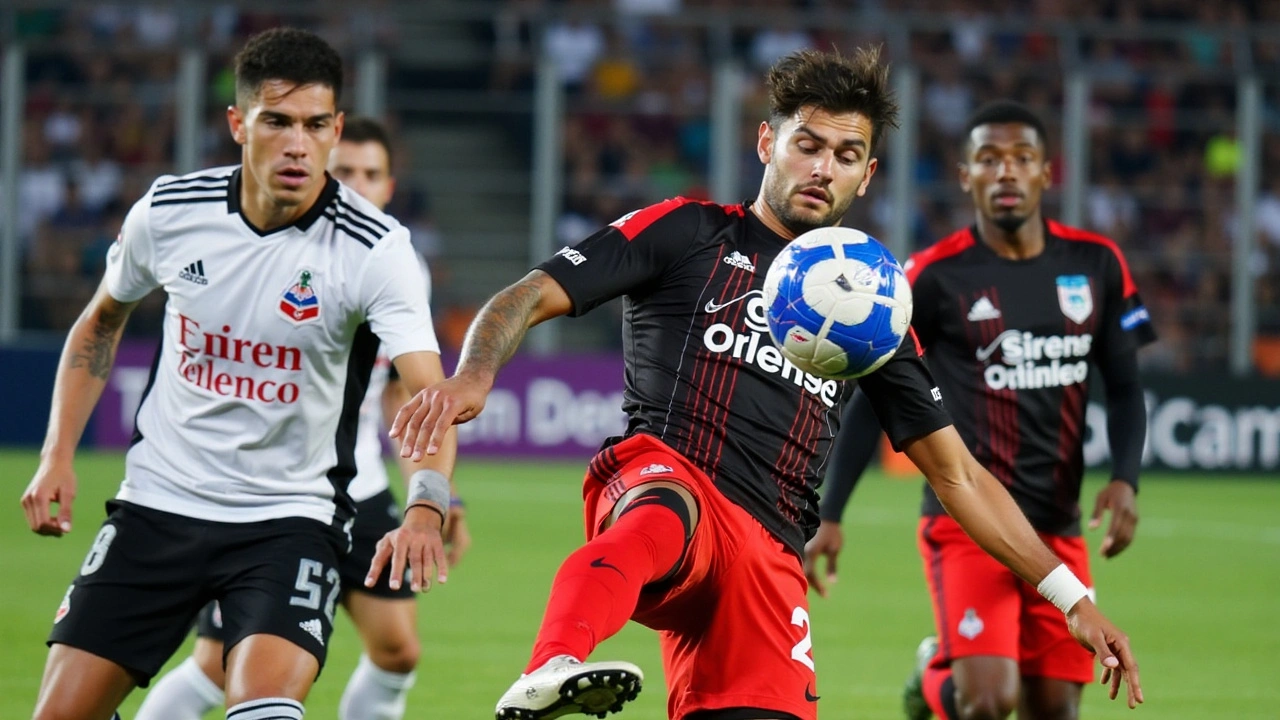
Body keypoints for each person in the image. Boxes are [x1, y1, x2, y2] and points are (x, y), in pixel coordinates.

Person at [383, 50, 1142, 720]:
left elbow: (959, 474)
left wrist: (1071, 599)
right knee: (656, 514)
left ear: (868, 173)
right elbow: (527, 294)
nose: (823, 167)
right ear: (766, 142)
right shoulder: (687, 232)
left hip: (772, 554)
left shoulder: (875, 309)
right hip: (668, 478)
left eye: (847, 154)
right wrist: (472, 375)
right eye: (807, 145)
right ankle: (550, 667)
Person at [20, 29, 456, 720]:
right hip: (157, 506)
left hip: (289, 521)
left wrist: (429, 506)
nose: (297, 144)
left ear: (336, 129)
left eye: (316, 126)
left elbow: (427, 394)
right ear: (237, 124)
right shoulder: (169, 212)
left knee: (265, 708)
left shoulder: (377, 251)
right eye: (276, 122)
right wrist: (57, 456)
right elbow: (100, 323)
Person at [806, 100, 1156, 720]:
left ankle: (940, 670)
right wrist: (831, 513)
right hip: (965, 523)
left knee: (1055, 711)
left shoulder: (1096, 263)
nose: (1006, 173)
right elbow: (872, 396)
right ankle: (933, 679)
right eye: (988, 160)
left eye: (1022, 159)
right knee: (990, 704)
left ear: (1048, 173)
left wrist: (1126, 478)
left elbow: (1126, 386)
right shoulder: (936, 276)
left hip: (1058, 520)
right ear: (966, 176)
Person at [133, 117, 470, 720]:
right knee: (218, 664)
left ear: (391, 185)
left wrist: (442, 494)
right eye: (345, 172)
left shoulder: (396, 264)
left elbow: (403, 394)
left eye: (372, 174)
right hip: (269, 496)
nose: (359, 185)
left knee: (397, 649)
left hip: (359, 489)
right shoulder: (278, 246)